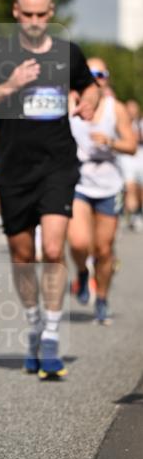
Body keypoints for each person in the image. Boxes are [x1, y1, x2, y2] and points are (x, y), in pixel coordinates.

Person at [0, 0, 99, 379]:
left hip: (57, 164)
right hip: (13, 170)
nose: (36, 22)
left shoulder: (67, 53)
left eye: (43, 14)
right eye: (29, 14)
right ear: (16, 12)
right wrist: (10, 85)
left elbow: (88, 86)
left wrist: (88, 101)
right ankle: (36, 325)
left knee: (53, 250)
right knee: (23, 257)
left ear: (51, 12)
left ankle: (54, 335)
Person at [68, 59, 136, 323]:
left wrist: (111, 141)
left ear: (107, 78)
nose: (96, 78)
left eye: (101, 74)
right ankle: (82, 273)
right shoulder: (69, 103)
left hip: (109, 185)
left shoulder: (114, 108)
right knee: (78, 242)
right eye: (91, 73)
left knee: (104, 250)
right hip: (78, 182)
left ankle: (103, 298)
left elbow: (131, 145)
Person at [121, 99, 143, 232]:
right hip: (127, 159)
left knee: (140, 190)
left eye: (133, 109)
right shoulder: (121, 124)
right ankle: (134, 216)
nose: (131, 112)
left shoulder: (141, 123)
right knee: (130, 188)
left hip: (140, 158)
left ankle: (139, 213)